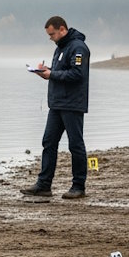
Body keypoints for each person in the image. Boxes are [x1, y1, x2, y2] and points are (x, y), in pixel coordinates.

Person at [21, 17, 91, 201]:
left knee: (75, 145)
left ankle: (78, 186)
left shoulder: (78, 48)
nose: (50, 38)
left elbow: (77, 74)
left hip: (73, 104)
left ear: (62, 29)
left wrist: (51, 74)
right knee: (48, 142)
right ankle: (44, 185)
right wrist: (46, 71)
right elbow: (61, 72)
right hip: (57, 104)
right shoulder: (60, 48)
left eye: (52, 34)